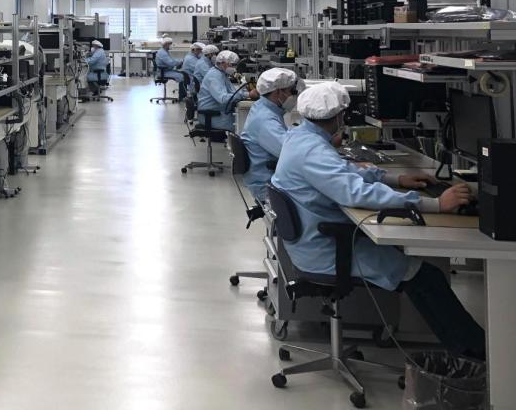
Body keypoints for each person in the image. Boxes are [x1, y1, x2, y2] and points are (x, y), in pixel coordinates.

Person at [271, 83, 485, 359]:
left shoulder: (301, 137)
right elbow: (354, 192)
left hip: (314, 240)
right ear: (339, 117)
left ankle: (466, 347)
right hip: (326, 250)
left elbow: (344, 170)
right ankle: (473, 354)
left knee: (420, 269)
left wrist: (394, 179)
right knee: (425, 276)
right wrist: (435, 204)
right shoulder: (312, 150)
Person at [241, 68, 298, 201]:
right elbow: (291, 154)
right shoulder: (266, 119)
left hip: (268, 179)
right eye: (291, 91)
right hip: (268, 187)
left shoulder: (261, 107)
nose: (293, 96)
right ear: (278, 92)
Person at [197, 50, 258, 132]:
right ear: (222, 63)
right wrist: (247, 95)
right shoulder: (214, 76)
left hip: (219, 112)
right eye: (232, 65)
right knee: (246, 126)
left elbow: (232, 92)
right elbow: (223, 99)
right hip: (212, 115)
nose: (234, 68)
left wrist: (247, 94)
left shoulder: (221, 74)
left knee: (248, 121)